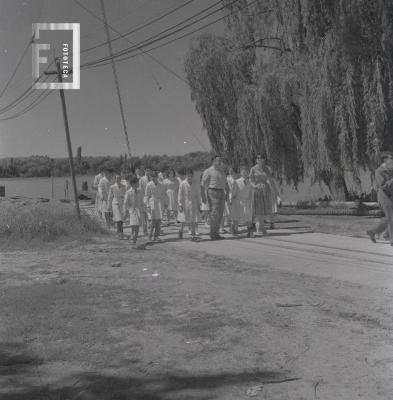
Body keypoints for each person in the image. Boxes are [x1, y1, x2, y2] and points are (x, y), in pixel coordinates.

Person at [366, 151, 393, 246]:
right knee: (391, 217)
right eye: (391, 158)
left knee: (389, 218)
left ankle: (374, 232)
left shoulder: (391, 170)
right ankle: (391, 239)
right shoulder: (379, 171)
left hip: (391, 196)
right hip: (384, 197)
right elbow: (383, 187)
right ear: (385, 160)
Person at [201, 155, 228, 240]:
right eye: (218, 160)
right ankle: (213, 233)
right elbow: (202, 184)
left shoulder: (222, 171)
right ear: (213, 161)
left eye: (220, 160)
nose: (219, 162)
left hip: (221, 192)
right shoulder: (208, 171)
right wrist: (203, 197)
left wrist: (227, 193)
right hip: (213, 192)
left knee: (220, 213)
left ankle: (216, 233)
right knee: (214, 213)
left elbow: (226, 183)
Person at [249, 155, 274, 236]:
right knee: (258, 209)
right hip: (257, 190)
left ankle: (261, 227)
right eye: (258, 158)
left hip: (265, 189)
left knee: (264, 210)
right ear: (256, 160)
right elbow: (250, 179)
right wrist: (254, 186)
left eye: (261, 158)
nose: (260, 159)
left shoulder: (266, 168)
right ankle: (262, 228)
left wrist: (273, 190)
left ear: (263, 160)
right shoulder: (253, 169)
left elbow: (270, 179)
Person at [178, 169, 201, 240]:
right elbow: (180, 195)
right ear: (186, 175)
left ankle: (193, 235)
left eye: (191, 175)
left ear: (192, 175)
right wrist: (180, 204)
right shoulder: (182, 183)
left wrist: (199, 203)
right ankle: (181, 231)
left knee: (193, 219)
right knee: (184, 220)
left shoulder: (196, 182)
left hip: (194, 203)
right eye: (188, 175)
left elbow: (198, 193)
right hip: (185, 203)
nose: (190, 176)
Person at [145, 171, 165, 241]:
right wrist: (147, 205)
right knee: (153, 220)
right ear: (151, 177)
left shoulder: (161, 184)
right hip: (152, 203)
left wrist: (164, 203)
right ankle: (150, 235)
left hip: (159, 203)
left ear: (157, 177)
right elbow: (147, 196)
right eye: (152, 177)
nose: (154, 178)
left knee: (159, 220)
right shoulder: (149, 184)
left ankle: (156, 236)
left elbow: (163, 194)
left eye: (155, 177)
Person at [124, 175, 144, 244]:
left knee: (137, 225)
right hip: (132, 210)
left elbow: (142, 201)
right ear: (132, 184)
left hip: (139, 210)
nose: (138, 184)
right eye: (137, 183)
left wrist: (144, 210)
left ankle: (134, 239)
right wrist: (127, 211)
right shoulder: (128, 192)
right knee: (133, 225)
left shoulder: (140, 191)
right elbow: (125, 203)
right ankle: (133, 238)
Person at [236, 166, 254, 237]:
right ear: (241, 173)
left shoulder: (250, 182)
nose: (245, 173)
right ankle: (234, 229)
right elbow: (235, 192)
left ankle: (250, 232)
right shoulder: (237, 181)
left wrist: (250, 200)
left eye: (246, 172)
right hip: (239, 201)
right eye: (243, 172)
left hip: (247, 202)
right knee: (236, 216)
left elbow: (251, 192)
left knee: (248, 217)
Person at [107, 174, 127, 239]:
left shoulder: (124, 186)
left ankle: (121, 232)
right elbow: (110, 197)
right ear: (115, 179)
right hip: (115, 203)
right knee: (118, 218)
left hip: (122, 203)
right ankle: (119, 233)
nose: (118, 179)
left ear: (121, 179)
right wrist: (109, 206)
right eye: (117, 178)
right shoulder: (112, 187)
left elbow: (126, 195)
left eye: (119, 178)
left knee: (121, 219)